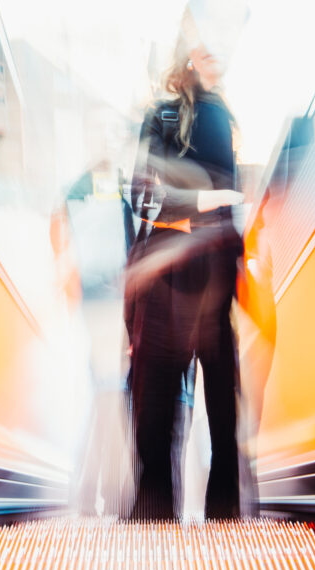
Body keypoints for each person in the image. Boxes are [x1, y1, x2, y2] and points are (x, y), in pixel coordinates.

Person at [124, 4, 246, 520]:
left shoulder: (221, 114)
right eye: (205, 39)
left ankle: (223, 529)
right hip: (170, 275)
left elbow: (228, 198)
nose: (216, 50)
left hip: (213, 275)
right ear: (188, 53)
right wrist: (206, 203)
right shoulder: (166, 113)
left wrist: (208, 207)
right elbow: (142, 194)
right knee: (156, 416)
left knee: (222, 416)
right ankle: (155, 524)